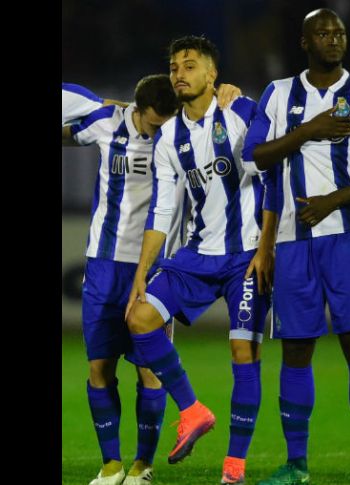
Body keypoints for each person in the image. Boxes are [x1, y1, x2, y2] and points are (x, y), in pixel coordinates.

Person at [242, 8, 350, 485]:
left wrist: (333, 200)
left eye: (339, 32)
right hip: (292, 243)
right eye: (323, 33)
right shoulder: (278, 94)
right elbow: (254, 158)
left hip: (349, 239)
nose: (333, 39)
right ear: (305, 41)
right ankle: (296, 464)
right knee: (296, 350)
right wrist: (308, 131)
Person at [123, 35, 275, 485]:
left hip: (246, 255)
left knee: (243, 351)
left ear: (212, 74)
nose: (179, 74)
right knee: (140, 317)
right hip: (196, 253)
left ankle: (234, 468)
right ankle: (192, 410)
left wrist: (267, 248)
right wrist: (142, 271)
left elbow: (270, 181)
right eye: (173, 67)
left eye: (189, 66)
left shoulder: (242, 112)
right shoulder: (168, 135)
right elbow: (163, 208)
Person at [63, 75, 185, 485]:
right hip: (103, 264)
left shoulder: (179, 132)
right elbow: (69, 130)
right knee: (99, 366)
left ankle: (142, 465)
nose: (158, 130)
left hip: (153, 266)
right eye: (152, 123)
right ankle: (111, 464)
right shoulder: (104, 120)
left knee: (149, 369)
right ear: (137, 110)